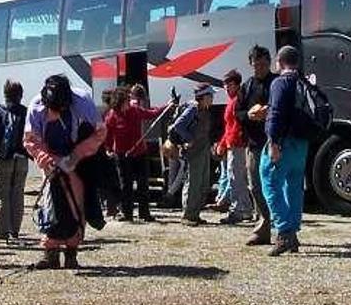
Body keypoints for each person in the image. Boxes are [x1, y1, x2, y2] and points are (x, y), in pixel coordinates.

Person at [23, 74, 106, 269]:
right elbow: (30, 139)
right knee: (49, 203)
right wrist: (43, 157)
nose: (57, 112)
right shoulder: (35, 107)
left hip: (77, 156)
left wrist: (75, 156)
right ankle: (50, 254)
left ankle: (71, 253)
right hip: (50, 159)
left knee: (76, 203)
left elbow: (100, 132)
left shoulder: (83, 102)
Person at [261, 46, 311, 257]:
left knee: (270, 181)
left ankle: (284, 232)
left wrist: (273, 141)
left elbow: (276, 113)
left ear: (279, 62)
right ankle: (293, 231)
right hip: (302, 143)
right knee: (294, 187)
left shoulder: (280, 82)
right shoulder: (304, 81)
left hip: (284, 141)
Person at [104, 85, 170, 222]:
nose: (129, 103)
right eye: (126, 101)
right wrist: (108, 149)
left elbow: (151, 113)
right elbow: (108, 135)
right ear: (119, 102)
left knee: (143, 184)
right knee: (126, 185)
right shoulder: (111, 116)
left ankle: (144, 213)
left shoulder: (135, 111)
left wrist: (167, 105)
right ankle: (127, 213)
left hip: (140, 152)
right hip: (123, 154)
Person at [236, 45, 276, 246]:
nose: (259, 67)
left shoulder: (276, 83)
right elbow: (238, 113)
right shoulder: (247, 86)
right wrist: (249, 115)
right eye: (255, 64)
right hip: (253, 144)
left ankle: (273, 226)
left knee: (274, 186)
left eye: (262, 64)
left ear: (269, 62)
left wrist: (269, 111)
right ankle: (264, 223)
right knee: (255, 186)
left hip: (273, 143)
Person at [169, 83, 216, 226]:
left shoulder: (204, 109)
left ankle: (195, 213)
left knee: (203, 182)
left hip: (203, 148)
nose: (212, 98)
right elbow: (178, 125)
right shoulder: (192, 109)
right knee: (193, 182)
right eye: (210, 95)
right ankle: (188, 215)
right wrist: (189, 139)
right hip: (194, 150)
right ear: (203, 97)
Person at [214, 70, 253, 225]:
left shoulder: (237, 101)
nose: (226, 88)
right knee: (237, 178)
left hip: (237, 144)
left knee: (236, 178)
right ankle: (246, 209)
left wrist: (227, 142)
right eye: (225, 85)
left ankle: (239, 210)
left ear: (237, 85)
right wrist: (223, 142)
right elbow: (228, 126)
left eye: (229, 84)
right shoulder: (232, 101)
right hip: (232, 143)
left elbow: (236, 125)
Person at [0, 80, 30, 240]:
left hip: (3, 157)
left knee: (1, 193)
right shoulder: (27, 112)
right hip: (22, 157)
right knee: (17, 194)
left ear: (5, 94)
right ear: (21, 95)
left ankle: (2, 231)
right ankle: (15, 230)